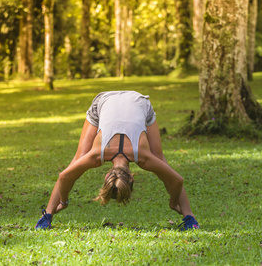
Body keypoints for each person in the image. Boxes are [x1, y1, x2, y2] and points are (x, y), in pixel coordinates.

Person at [35, 91, 199, 231]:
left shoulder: (140, 156)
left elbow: (66, 176)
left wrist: (63, 202)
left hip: (125, 100)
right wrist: (172, 202)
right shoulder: (100, 155)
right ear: (108, 176)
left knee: (78, 159)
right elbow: (176, 180)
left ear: (132, 177)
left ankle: (47, 217)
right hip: (121, 101)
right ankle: (189, 218)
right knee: (160, 160)